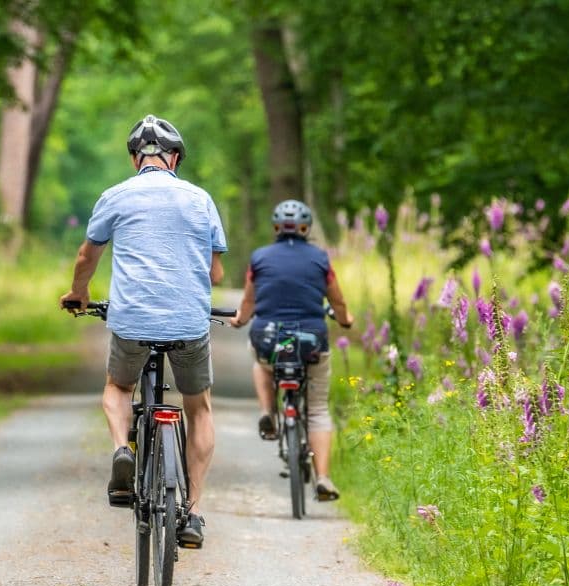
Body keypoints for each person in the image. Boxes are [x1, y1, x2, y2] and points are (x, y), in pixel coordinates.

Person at [60, 114, 227, 548]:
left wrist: (79, 293)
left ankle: (122, 450)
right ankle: (193, 513)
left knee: (118, 387)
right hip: (189, 322)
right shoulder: (199, 199)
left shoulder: (115, 196)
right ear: (174, 158)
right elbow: (216, 270)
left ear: (136, 159)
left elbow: (86, 256)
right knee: (200, 408)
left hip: (132, 319)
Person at [229, 199, 353, 501]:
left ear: (275, 227)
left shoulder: (259, 258)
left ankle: (267, 411)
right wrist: (346, 320)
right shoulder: (321, 259)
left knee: (260, 361)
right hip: (311, 340)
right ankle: (323, 477)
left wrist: (240, 319)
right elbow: (337, 301)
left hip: (269, 338)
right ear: (306, 228)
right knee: (319, 409)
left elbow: (248, 302)